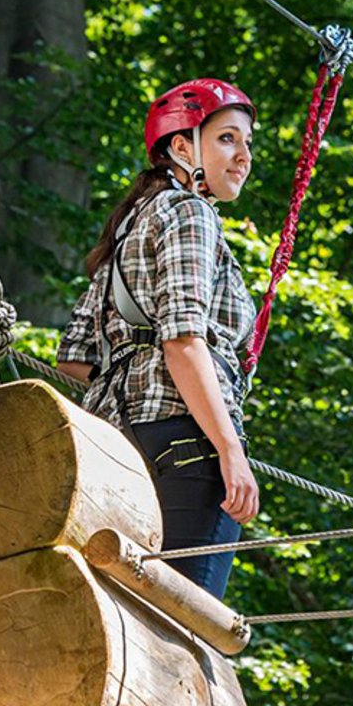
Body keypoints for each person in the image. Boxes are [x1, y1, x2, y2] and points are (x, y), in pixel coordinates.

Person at [54, 78, 260, 600]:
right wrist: (229, 449)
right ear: (182, 146)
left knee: (126, 624)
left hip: (112, 447)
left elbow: (73, 359)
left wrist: (131, 381)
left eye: (247, 143)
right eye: (227, 139)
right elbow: (183, 340)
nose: (243, 156)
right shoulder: (191, 213)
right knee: (186, 629)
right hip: (188, 446)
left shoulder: (125, 232)